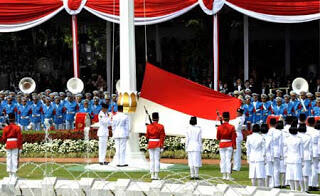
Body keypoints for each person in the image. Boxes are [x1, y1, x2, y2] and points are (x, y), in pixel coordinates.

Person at [1, 113, 22, 179]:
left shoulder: (6, 128)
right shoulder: (17, 127)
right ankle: (14, 174)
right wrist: (20, 146)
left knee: (9, 158)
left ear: (9, 119)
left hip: (8, 143)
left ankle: (9, 174)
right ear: (14, 119)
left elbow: (4, 138)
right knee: (14, 158)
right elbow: (19, 138)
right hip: (15, 143)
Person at [216, 112, 237, 180]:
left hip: (222, 144)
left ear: (223, 118)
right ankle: (228, 176)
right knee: (228, 160)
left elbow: (218, 138)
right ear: (229, 118)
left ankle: (224, 175)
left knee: (222, 160)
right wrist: (234, 147)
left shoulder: (219, 127)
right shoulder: (232, 127)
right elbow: (233, 138)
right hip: (229, 144)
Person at [146, 112, 166, 180]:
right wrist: (161, 145)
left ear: (152, 118)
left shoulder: (148, 126)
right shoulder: (161, 126)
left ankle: (152, 175)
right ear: (158, 118)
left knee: (152, 160)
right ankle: (156, 175)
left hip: (151, 143)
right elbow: (162, 137)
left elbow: (147, 136)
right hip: (157, 143)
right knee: (157, 160)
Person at [283, 127, 303, 191]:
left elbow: (285, 151)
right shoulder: (299, 139)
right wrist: (302, 160)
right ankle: (296, 189)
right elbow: (301, 152)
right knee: (297, 175)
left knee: (290, 175)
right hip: (297, 158)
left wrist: (285, 159)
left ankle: (292, 189)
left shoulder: (287, 139)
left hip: (289, 158)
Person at [297, 124, 312, 192]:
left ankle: (302, 188)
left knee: (299, 173)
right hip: (307, 155)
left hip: (298, 155)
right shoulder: (308, 137)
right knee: (306, 174)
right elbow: (311, 148)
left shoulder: (297, 136)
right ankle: (306, 188)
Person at [306, 117, 319, 190]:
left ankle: (308, 183)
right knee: (315, 168)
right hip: (315, 150)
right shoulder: (317, 132)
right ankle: (314, 184)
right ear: (314, 123)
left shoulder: (305, 130)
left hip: (307, 150)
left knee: (308, 167)